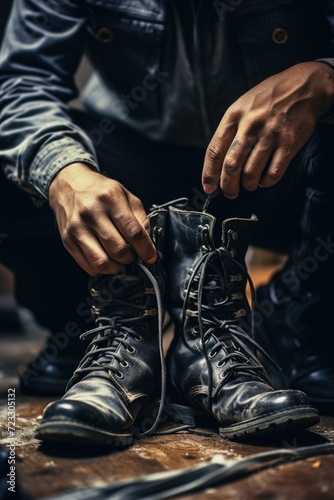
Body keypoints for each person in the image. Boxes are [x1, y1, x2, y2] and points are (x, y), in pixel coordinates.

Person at [0, 0, 333, 446]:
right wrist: (64, 173)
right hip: (125, 155)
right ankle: (106, 334)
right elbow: (22, 82)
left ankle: (288, 328)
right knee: (27, 163)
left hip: (275, 164)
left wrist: (324, 79)